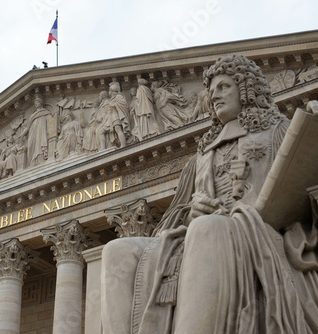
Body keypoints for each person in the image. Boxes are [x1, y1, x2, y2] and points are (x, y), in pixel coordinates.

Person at [101, 55, 318, 333]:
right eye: (212, 90)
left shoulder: (279, 131)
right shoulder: (202, 154)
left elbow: (305, 184)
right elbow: (169, 221)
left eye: (224, 87)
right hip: (199, 235)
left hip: (260, 233)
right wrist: (190, 212)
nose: (214, 96)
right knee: (117, 250)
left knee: (208, 228)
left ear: (247, 90)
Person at [97, 82, 130, 149]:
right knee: (102, 131)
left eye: (109, 90)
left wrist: (113, 104)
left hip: (116, 117)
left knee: (118, 129)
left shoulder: (119, 96)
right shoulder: (111, 99)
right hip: (111, 117)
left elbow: (124, 104)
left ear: (112, 91)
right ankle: (103, 148)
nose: (108, 92)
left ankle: (123, 145)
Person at [22, 94, 51, 166]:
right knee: (31, 145)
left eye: (37, 102)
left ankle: (41, 159)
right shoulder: (32, 115)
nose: (36, 104)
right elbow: (28, 127)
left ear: (41, 103)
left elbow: (51, 120)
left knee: (40, 143)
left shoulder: (45, 112)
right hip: (32, 132)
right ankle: (33, 161)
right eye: (35, 102)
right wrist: (22, 135)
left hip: (41, 131)